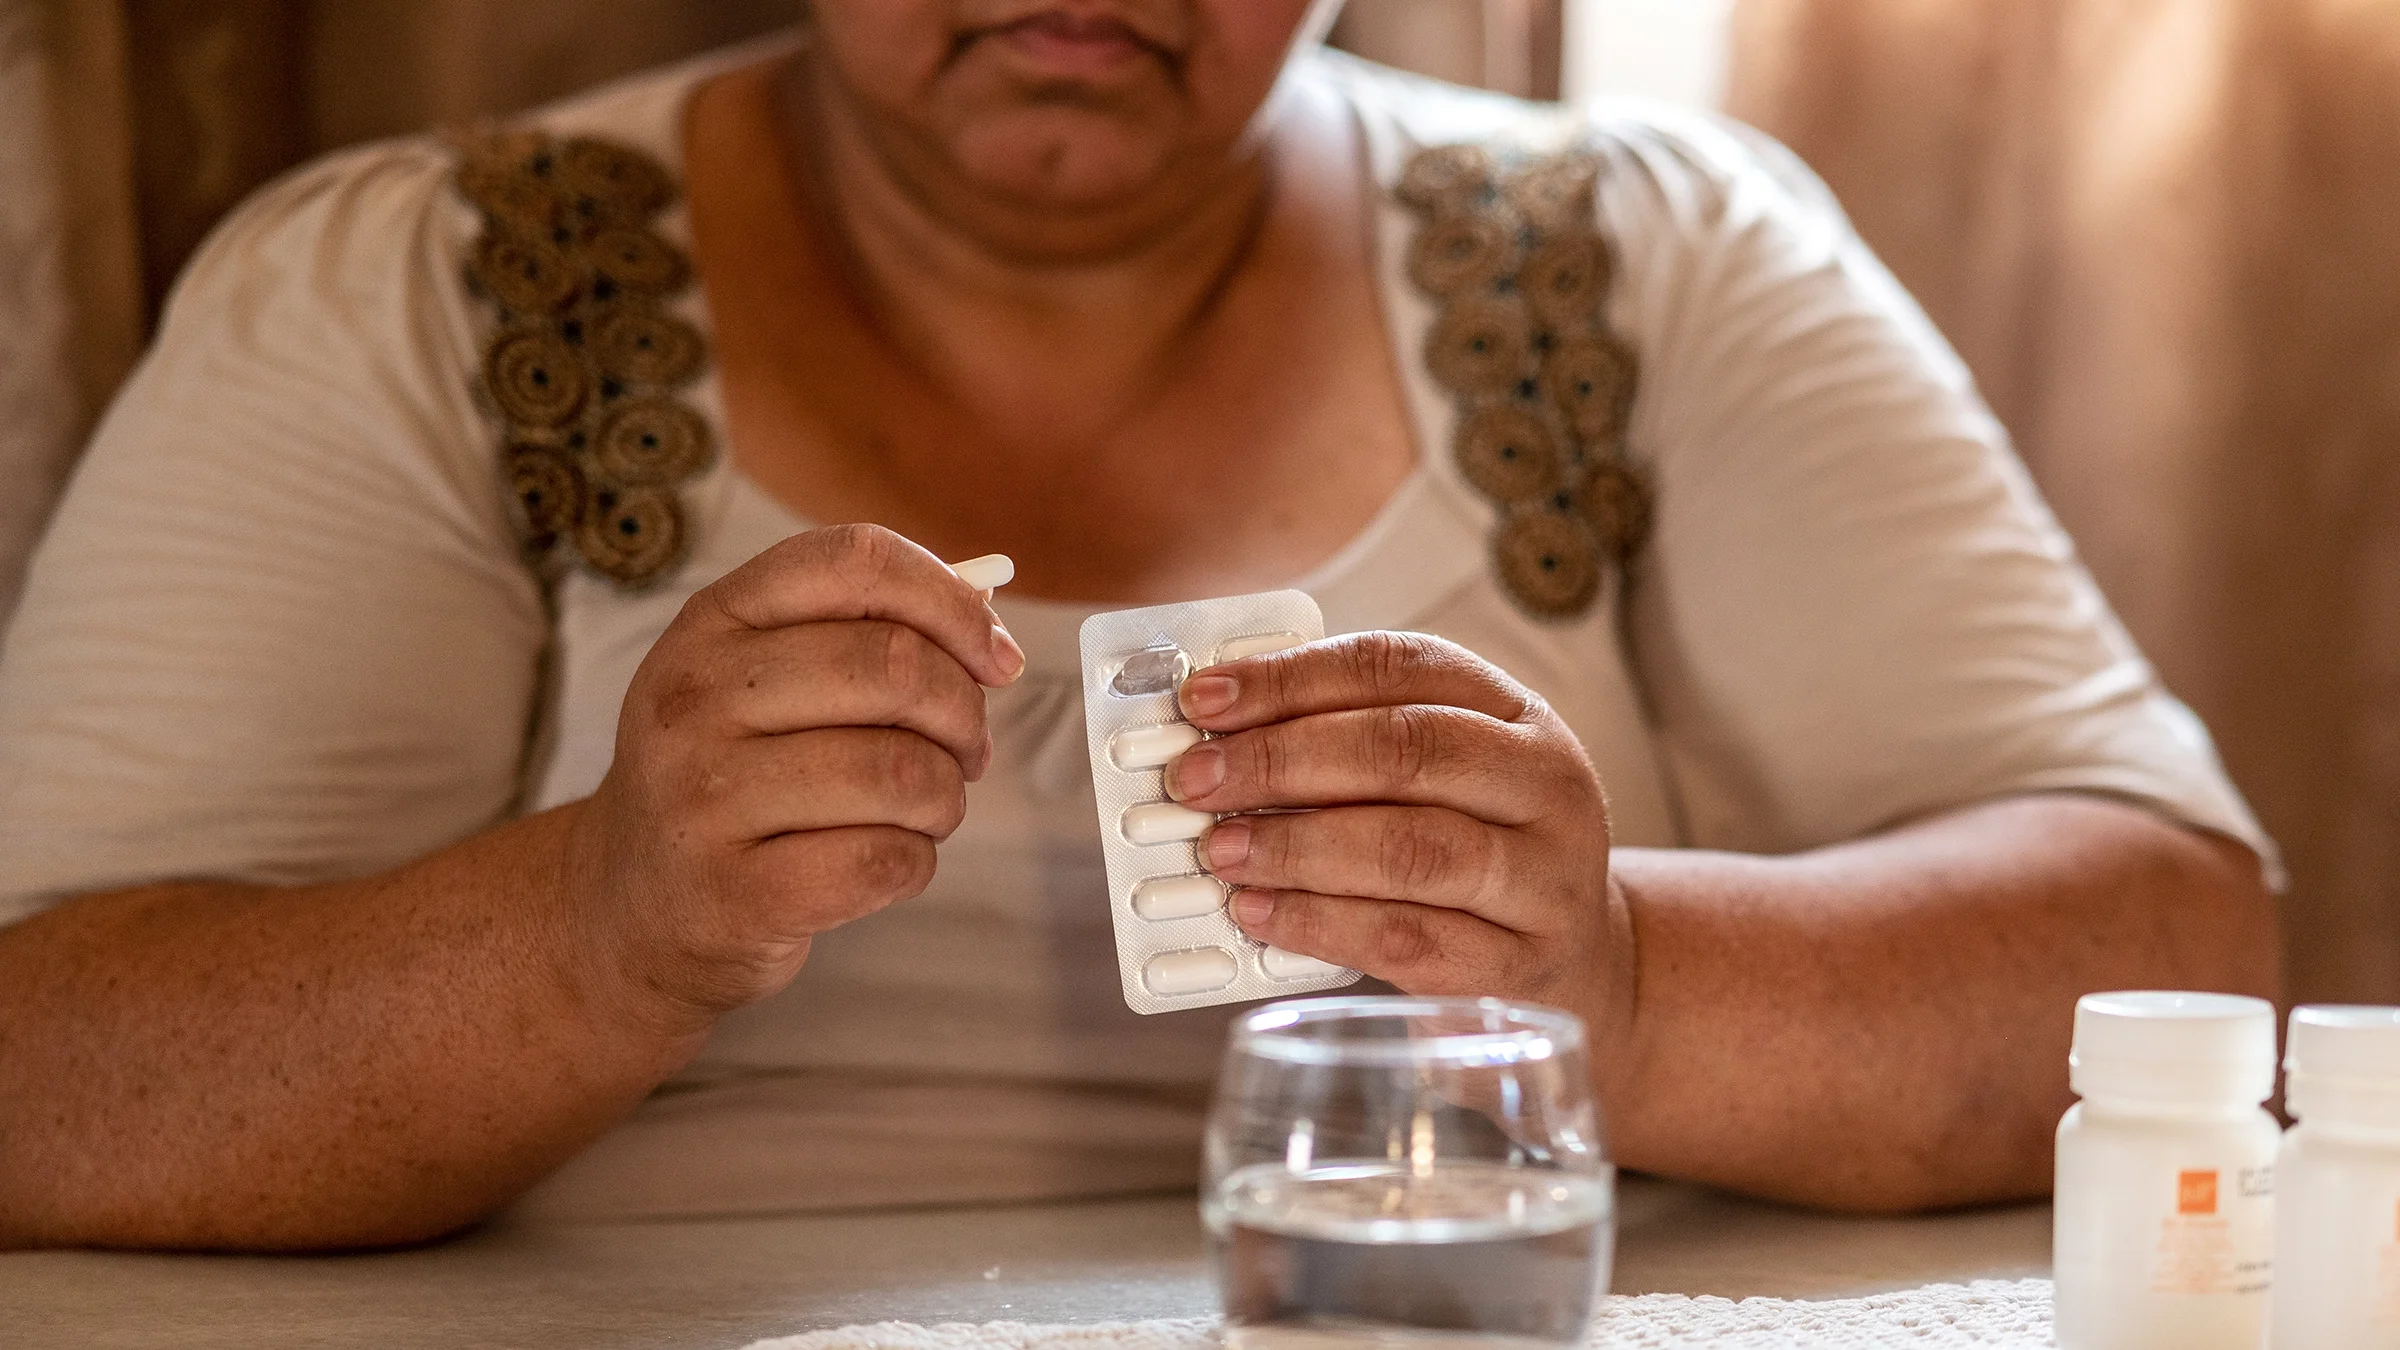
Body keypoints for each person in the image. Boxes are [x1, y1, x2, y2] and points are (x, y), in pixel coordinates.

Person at [0, 1, 2277, 1252]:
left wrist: (1622, 976)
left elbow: (2178, 957)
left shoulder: (1657, 264)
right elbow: (41, 1075)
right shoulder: (414, 290)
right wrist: (595, 932)